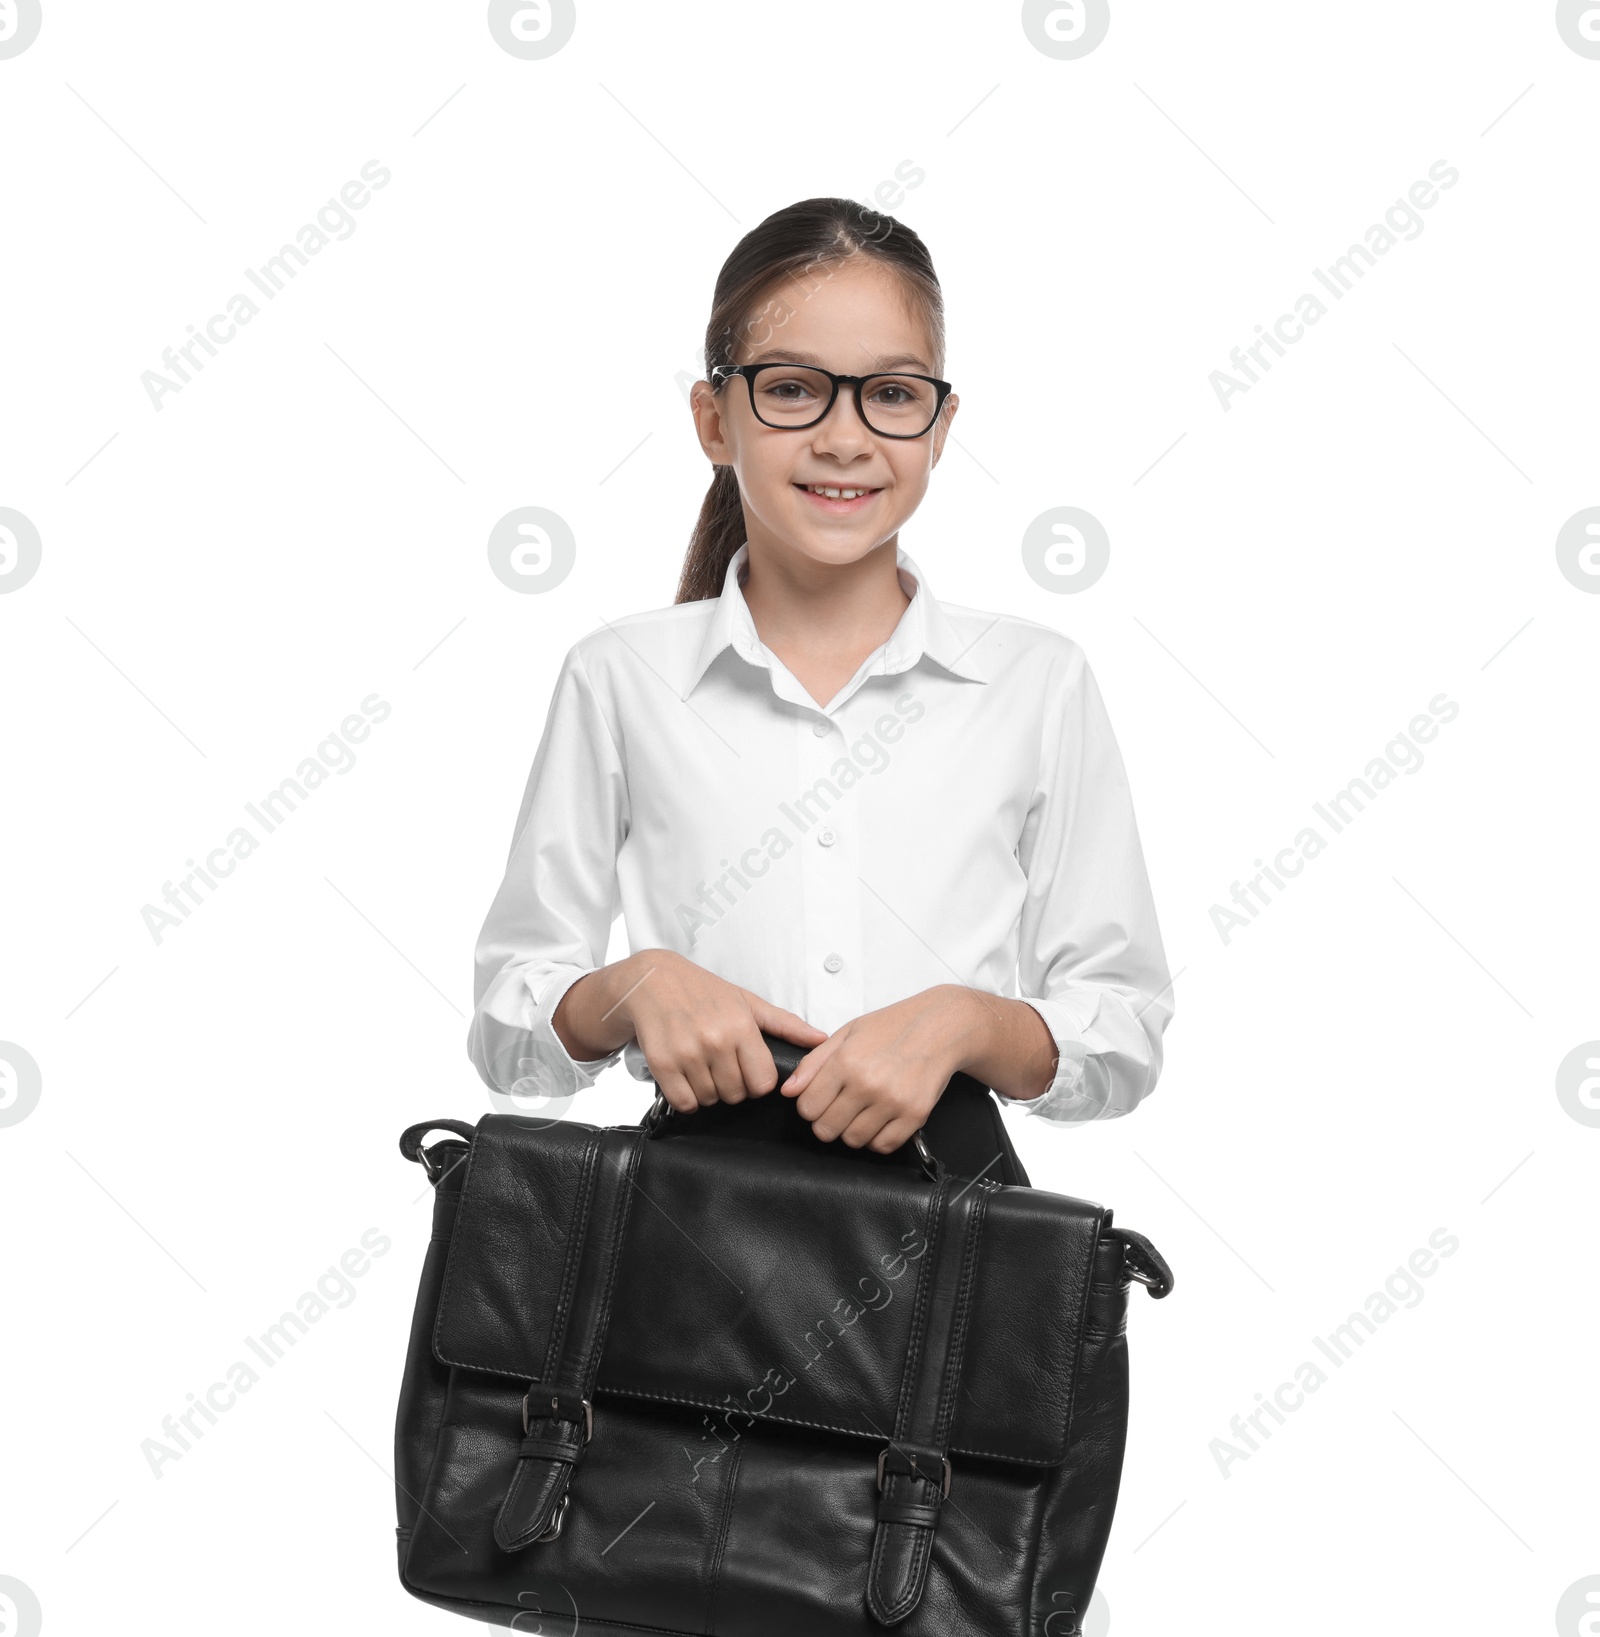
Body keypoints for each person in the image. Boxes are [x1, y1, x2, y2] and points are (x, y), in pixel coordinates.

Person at [468, 196, 1173, 1164]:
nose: (845, 437)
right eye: (793, 389)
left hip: (955, 1235)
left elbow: (1123, 1026)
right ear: (714, 420)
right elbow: (510, 1030)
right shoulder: (620, 676)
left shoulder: (1034, 679)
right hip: (694, 1227)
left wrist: (968, 1021)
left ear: (941, 423)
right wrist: (630, 986)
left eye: (890, 393)